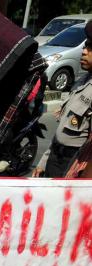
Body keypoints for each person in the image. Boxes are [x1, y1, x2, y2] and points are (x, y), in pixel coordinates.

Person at [33, 21, 92, 178]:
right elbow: (62, 130)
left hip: (74, 164)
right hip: (56, 157)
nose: (84, 52)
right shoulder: (82, 81)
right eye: (85, 47)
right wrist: (43, 162)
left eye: (90, 49)